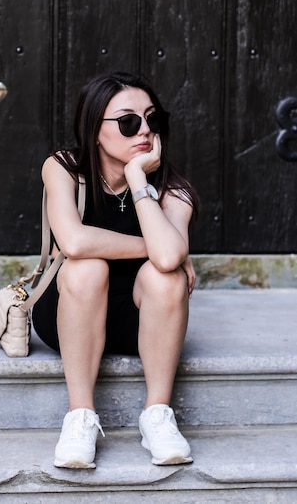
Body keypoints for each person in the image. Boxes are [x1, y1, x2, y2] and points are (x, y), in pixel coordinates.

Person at [32, 71, 200, 469]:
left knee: (165, 277)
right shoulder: (64, 168)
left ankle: (157, 415)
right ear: (94, 129)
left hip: (138, 323)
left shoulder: (172, 187)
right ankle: (80, 417)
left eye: (151, 119)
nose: (143, 131)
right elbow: (73, 242)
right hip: (70, 312)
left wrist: (137, 178)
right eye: (128, 122)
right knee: (87, 267)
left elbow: (164, 264)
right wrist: (161, 248)